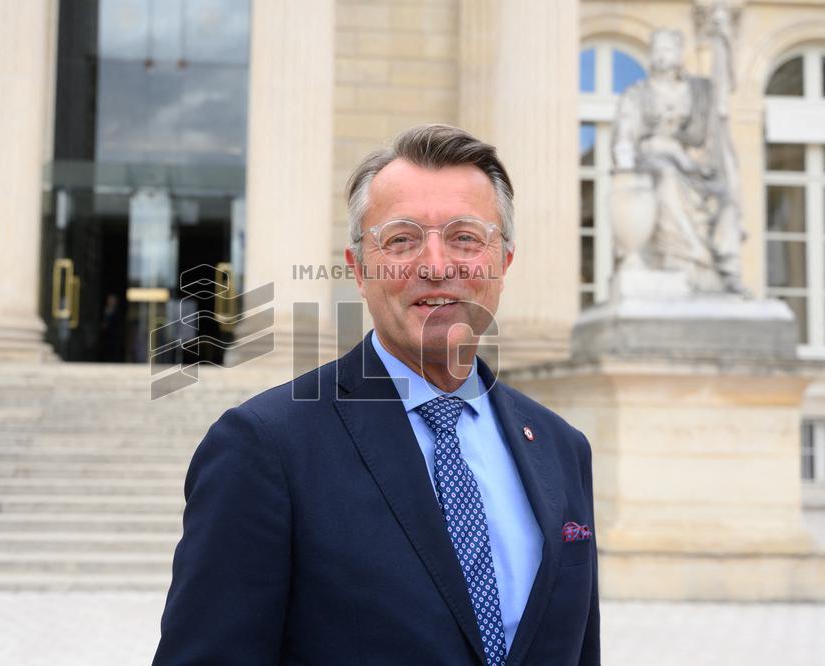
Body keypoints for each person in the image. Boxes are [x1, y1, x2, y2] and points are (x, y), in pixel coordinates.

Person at [153, 124, 599, 665]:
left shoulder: (561, 447)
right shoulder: (265, 447)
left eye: (464, 237)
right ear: (359, 268)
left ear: (502, 261)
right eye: (402, 239)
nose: (436, 266)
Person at [612, 27, 745, 293]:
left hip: (688, 166)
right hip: (652, 162)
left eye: (669, 49)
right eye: (658, 49)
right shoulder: (637, 94)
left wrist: (721, 39)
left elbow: (725, 86)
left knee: (727, 195)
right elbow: (624, 137)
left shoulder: (696, 92)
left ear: (679, 55)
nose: (664, 55)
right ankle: (684, 257)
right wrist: (624, 167)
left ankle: (721, 269)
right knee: (668, 178)